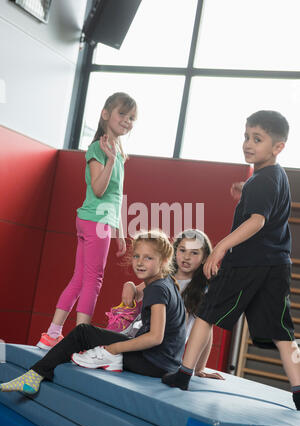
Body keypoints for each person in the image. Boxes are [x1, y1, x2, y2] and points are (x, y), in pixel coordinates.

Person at [162, 110, 300, 411]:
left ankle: (183, 374)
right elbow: (268, 208)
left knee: (206, 314)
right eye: (246, 136)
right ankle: (299, 389)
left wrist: (221, 247)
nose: (248, 144)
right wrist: (244, 190)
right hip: (277, 264)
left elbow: (257, 222)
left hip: (248, 262)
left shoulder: (262, 181)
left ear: (278, 147)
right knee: (281, 330)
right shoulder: (275, 176)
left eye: (258, 139)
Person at [0, 230, 186, 394]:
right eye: (136, 256)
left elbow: (155, 337)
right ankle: (94, 358)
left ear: (163, 261)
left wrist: (113, 348)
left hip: (153, 362)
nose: (139, 263)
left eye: (148, 258)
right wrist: (129, 285)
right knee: (95, 336)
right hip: (165, 362)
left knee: (83, 332)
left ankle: (35, 375)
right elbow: (139, 296)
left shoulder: (156, 289)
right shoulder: (166, 282)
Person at [36, 92, 137, 351]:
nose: (127, 121)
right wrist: (111, 160)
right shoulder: (98, 148)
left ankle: (52, 333)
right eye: (122, 114)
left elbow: (117, 196)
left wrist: (120, 230)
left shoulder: (117, 150)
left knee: (80, 279)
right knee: (94, 280)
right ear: (106, 114)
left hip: (98, 221)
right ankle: (81, 340)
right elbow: (99, 189)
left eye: (132, 118)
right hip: (94, 221)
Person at [121, 229, 224, 379]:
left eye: (194, 253)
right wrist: (129, 286)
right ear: (175, 252)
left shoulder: (203, 291)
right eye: (182, 250)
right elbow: (136, 293)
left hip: (162, 351)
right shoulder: (162, 277)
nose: (187, 257)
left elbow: (206, 331)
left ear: (204, 258)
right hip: (139, 337)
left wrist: (199, 368)